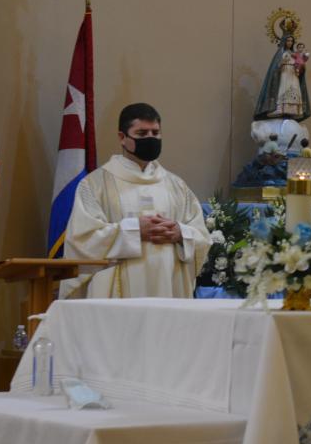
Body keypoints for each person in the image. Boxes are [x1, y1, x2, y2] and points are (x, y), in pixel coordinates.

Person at [61, 103, 210, 298]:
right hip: (118, 290)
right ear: (122, 138)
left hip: (168, 285)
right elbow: (82, 240)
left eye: (155, 133)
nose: (150, 138)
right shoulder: (95, 185)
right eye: (141, 133)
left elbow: (202, 236)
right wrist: (134, 230)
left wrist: (181, 234)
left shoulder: (176, 186)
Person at [254, 30, 311, 122]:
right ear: (284, 41)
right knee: (283, 90)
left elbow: (300, 65)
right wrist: (281, 63)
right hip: (284, 74)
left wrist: (302, 67)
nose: (290, 43)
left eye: (291, 41)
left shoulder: (295, 54)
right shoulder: (280, 53)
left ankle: (294, 110)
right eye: (288, 41)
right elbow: (274, 69)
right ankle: (280, 109)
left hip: (293, 75)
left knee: (294, 90)